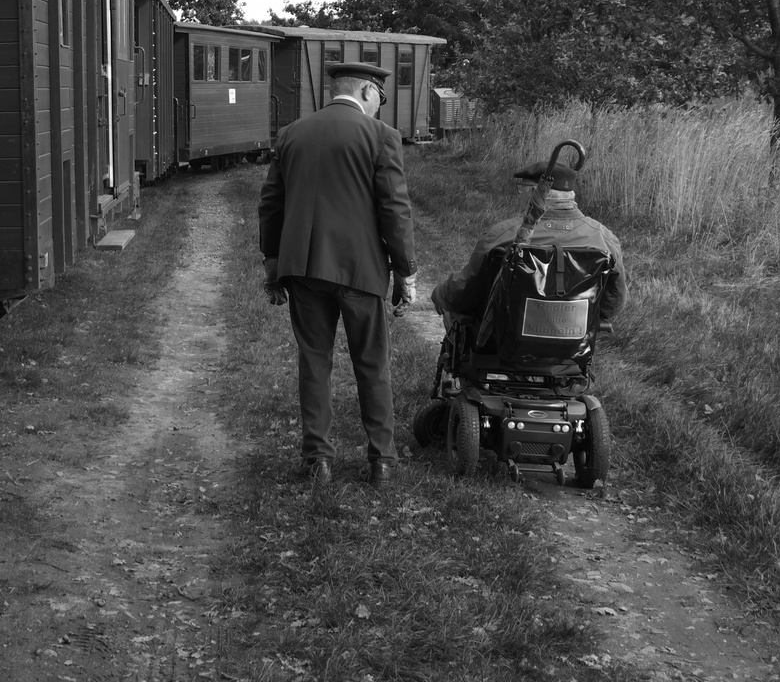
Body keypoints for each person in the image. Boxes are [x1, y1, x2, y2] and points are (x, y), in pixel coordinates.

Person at [258, 61, 417, 487]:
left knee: (314, 362)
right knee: (372, 364)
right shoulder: (381, 137)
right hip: (360, 271)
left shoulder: (292, 133)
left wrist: (273, 265)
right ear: (368, 92)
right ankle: (382, 461)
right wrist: (405, 273)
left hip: (305, 269)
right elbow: (394, 210)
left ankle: (317, 462)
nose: (378, 108)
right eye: (379, 100)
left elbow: (271, 203)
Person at [432, 160, 628, 335]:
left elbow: (467, 291)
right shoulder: (604, 239)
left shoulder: (504, 234)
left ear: (535, 192)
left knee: (453, 312)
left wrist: (440, 293)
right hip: (571, 348)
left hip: (501, 342)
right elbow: (612, 303)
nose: (520, 195)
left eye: (522, 188)